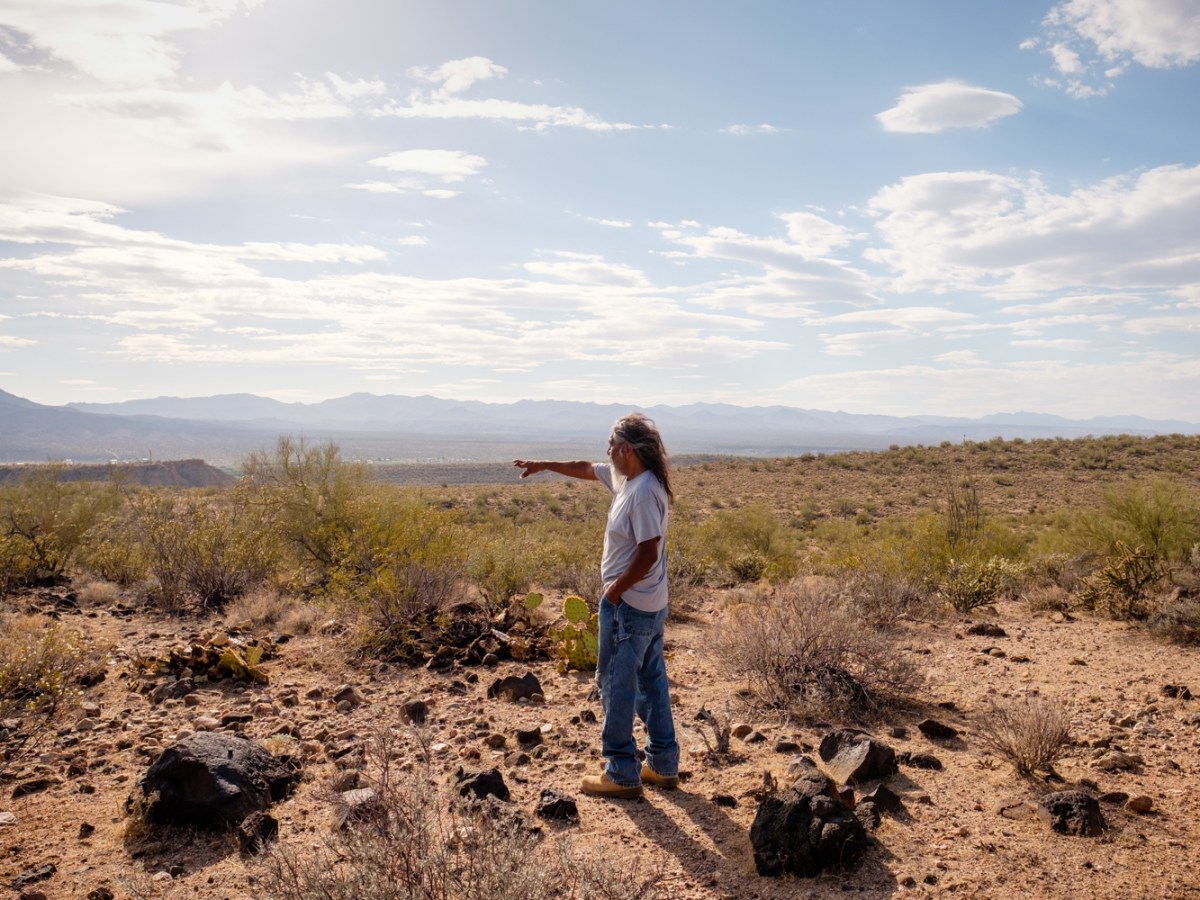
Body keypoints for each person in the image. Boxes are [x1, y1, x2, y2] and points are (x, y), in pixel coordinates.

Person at [513, 412, 680, 799]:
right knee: (652, 682)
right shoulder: (635, 479)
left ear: (627, 449)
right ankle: (662, 764)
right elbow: (587, 468)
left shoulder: (639, 493)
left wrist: (614, 593)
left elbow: (647, 553)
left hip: (630, 606)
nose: (605, 451)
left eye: (611, 444)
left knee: (615, 684)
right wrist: (544, 465)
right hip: (652, 604)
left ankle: (621, 771)